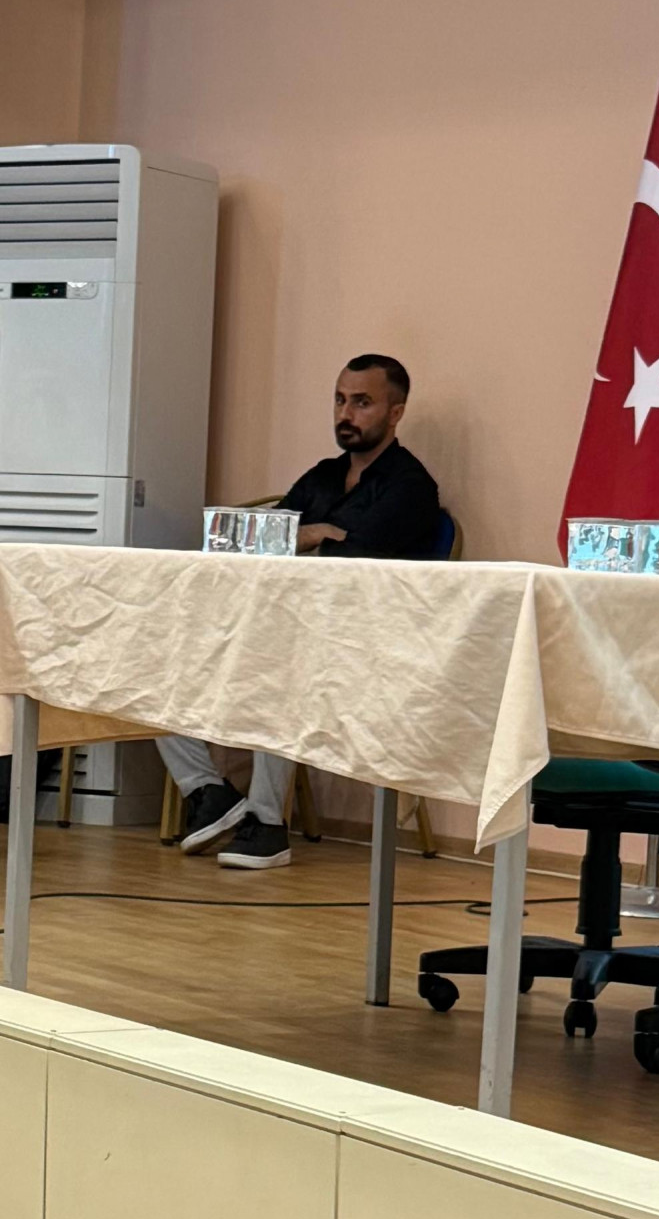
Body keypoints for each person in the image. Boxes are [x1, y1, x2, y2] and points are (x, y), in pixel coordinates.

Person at [159, 354, 447, 872]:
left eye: (362, 402)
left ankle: (267, 822)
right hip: (278, 625)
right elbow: (258, 542)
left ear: (396, 412)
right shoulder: (322, 477)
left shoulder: (410, 487)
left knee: (283, 666)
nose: (346, 413)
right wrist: (312, 533)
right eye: (340, 400)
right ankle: (208, 793)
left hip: (363, 645)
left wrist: (305, 540)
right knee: (160, 656)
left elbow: (354, 559)